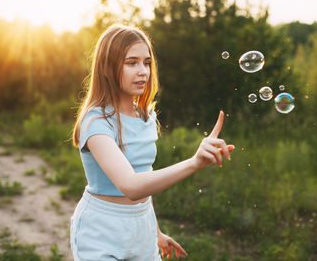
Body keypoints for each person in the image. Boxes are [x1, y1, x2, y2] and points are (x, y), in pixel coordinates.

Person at [71, 24, 234, 261]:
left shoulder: (146, 116)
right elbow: (132, 185)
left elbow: (144, 176)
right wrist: (194, 162)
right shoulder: (95, 121)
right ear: (107, 68)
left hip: (142, 227)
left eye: (146, 63)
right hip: (101, 230)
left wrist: (154, 231)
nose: (143, 71)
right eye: (131, 62)